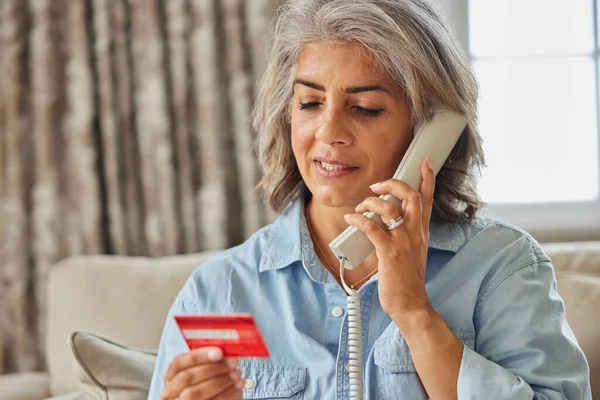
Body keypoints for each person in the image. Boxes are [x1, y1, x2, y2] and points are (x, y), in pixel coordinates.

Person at [149, 0, 591, 399]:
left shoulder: (501, 266)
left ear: (428, 130)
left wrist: (415, 313)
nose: (328, 133)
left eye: (365, 108)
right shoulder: (221, 293)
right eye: (309, 103)